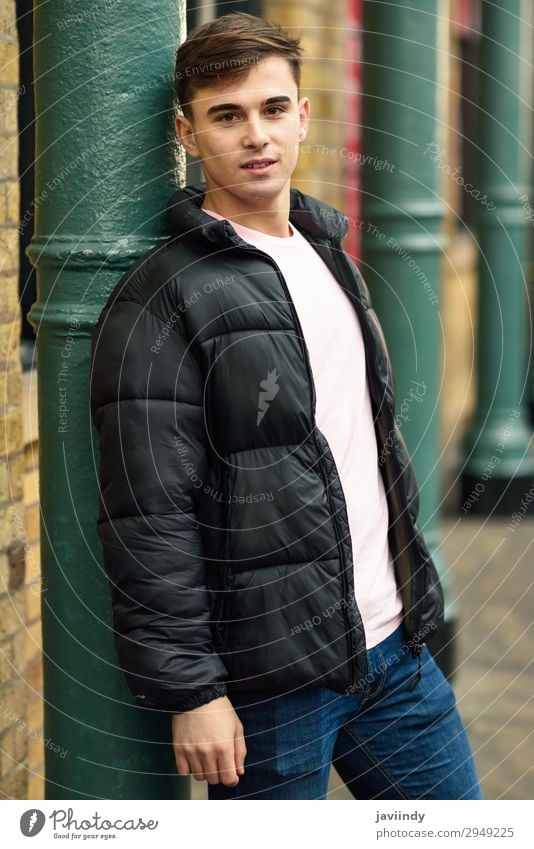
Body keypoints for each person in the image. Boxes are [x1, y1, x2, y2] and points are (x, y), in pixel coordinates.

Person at [89, 11, 482, 800]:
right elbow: (149, 514)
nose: (255, 135)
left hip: (395, 654)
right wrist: (195, 690)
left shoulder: (329, 252)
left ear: (303, 115)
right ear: (188, 133)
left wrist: (419, 607)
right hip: (269, 688)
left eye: (272, 109)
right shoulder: (164, 296)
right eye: (226, 116)